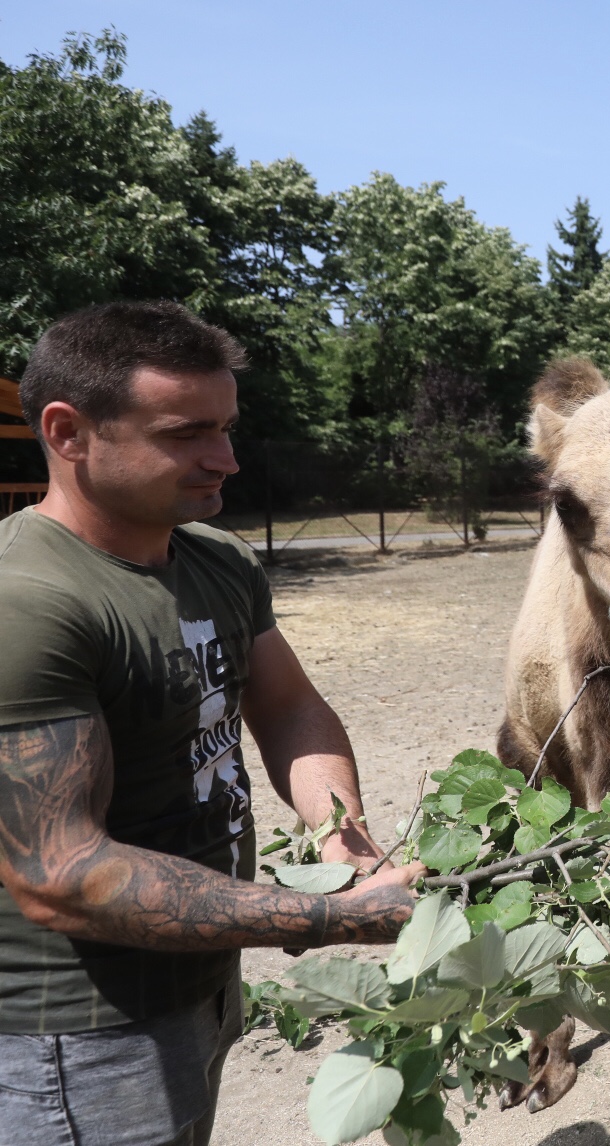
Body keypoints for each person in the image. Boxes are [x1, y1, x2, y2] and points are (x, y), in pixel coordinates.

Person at [0, 301, 426, 1146]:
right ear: (68, 432)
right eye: (187, 433)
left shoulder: (214, 557)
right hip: (79, 1036)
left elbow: (288, 706)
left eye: (227, 427)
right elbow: (60, 874)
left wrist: (339, 834)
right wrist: (321, 920)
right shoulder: (30, 602)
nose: (224, 459)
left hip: (198, 978)